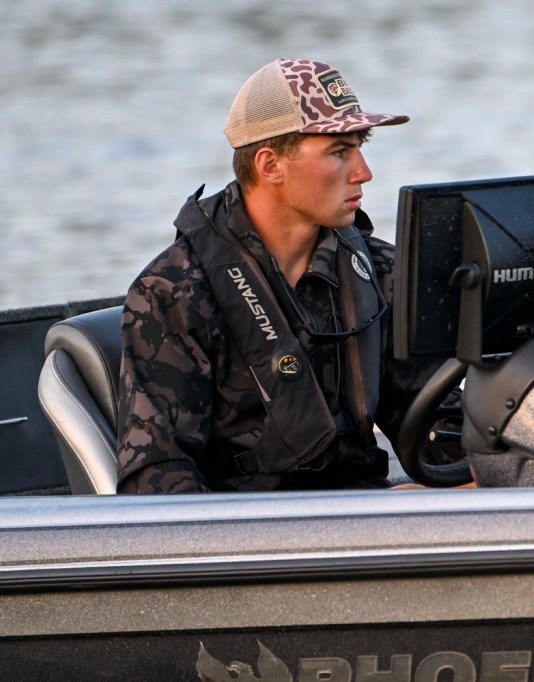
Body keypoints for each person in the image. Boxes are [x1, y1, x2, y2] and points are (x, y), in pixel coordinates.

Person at [116, 58, 428, 492]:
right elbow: (157, 483)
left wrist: (460, 477)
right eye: (339, 151)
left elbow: (435, 425)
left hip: (368, 517)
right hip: (247, 532)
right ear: (269, 165)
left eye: (360, 146)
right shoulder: (173, 292)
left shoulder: (381, 271)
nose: (364, 172)